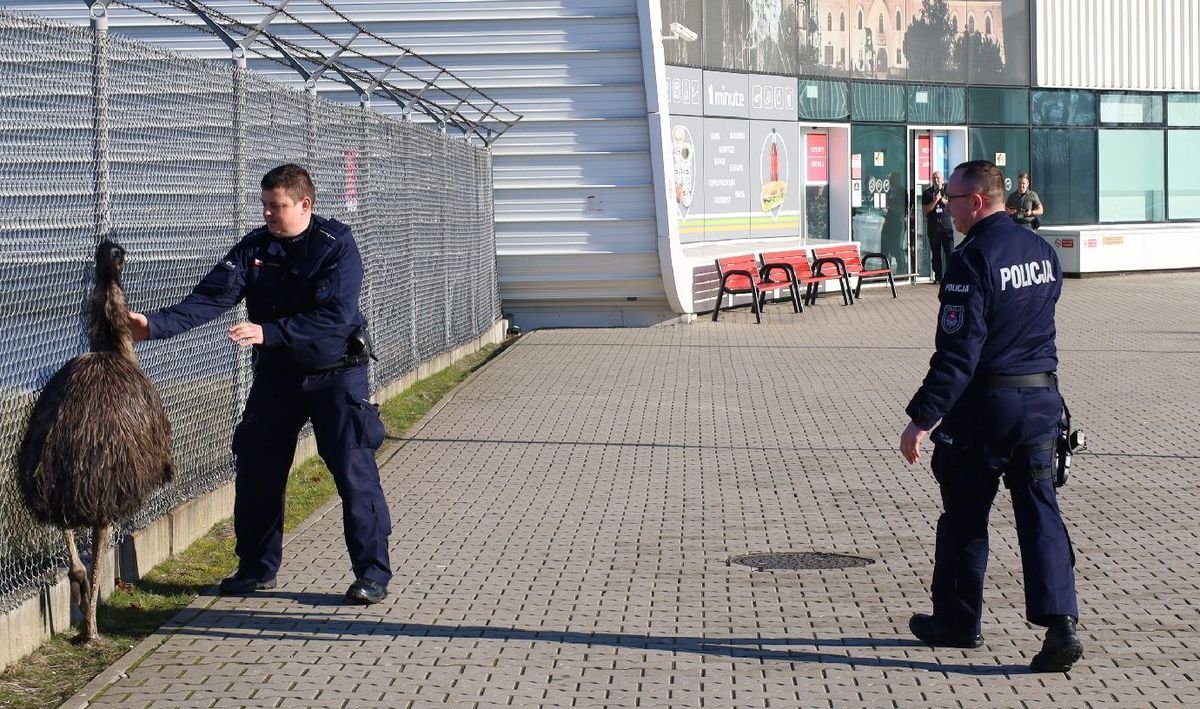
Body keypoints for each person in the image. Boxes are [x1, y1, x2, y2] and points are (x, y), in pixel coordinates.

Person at [130, 164, 392, 605]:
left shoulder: (336, 246)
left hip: (335, 374)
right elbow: (210, 298)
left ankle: (371, 573)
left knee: (353, 472)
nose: (268, 214)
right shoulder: (255, 247)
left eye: (278, 206)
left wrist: (269, 332)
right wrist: (152, 326)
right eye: (265, 205)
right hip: (277, 378)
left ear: (305, 204)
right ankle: (256, 568)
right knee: (257, 470)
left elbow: (336, 317)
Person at [899, 160, 1082, 673]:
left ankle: (958, 622)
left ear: (976, 202)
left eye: (953, 200)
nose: (947, 208)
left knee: (963, 515)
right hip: (1042, 403)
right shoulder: (1042, 253)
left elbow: (959, 354)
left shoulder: (971, 259)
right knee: (1041, 514)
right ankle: (1061, 625)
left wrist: (922, 418)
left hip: (985, 408)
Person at [921, 171, 955, 282]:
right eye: (934, 178)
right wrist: (935, 200)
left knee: (949, 252)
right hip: (933, 225)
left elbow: (952, 207)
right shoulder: (927, 193)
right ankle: (938, 277)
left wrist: (942, 199)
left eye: (938, 178)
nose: (936, 180)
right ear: (932, 179)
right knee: (935, 253)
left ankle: (950, 276)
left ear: (942, 179)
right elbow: (926, 211)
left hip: (946, 225)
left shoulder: (948, 191)